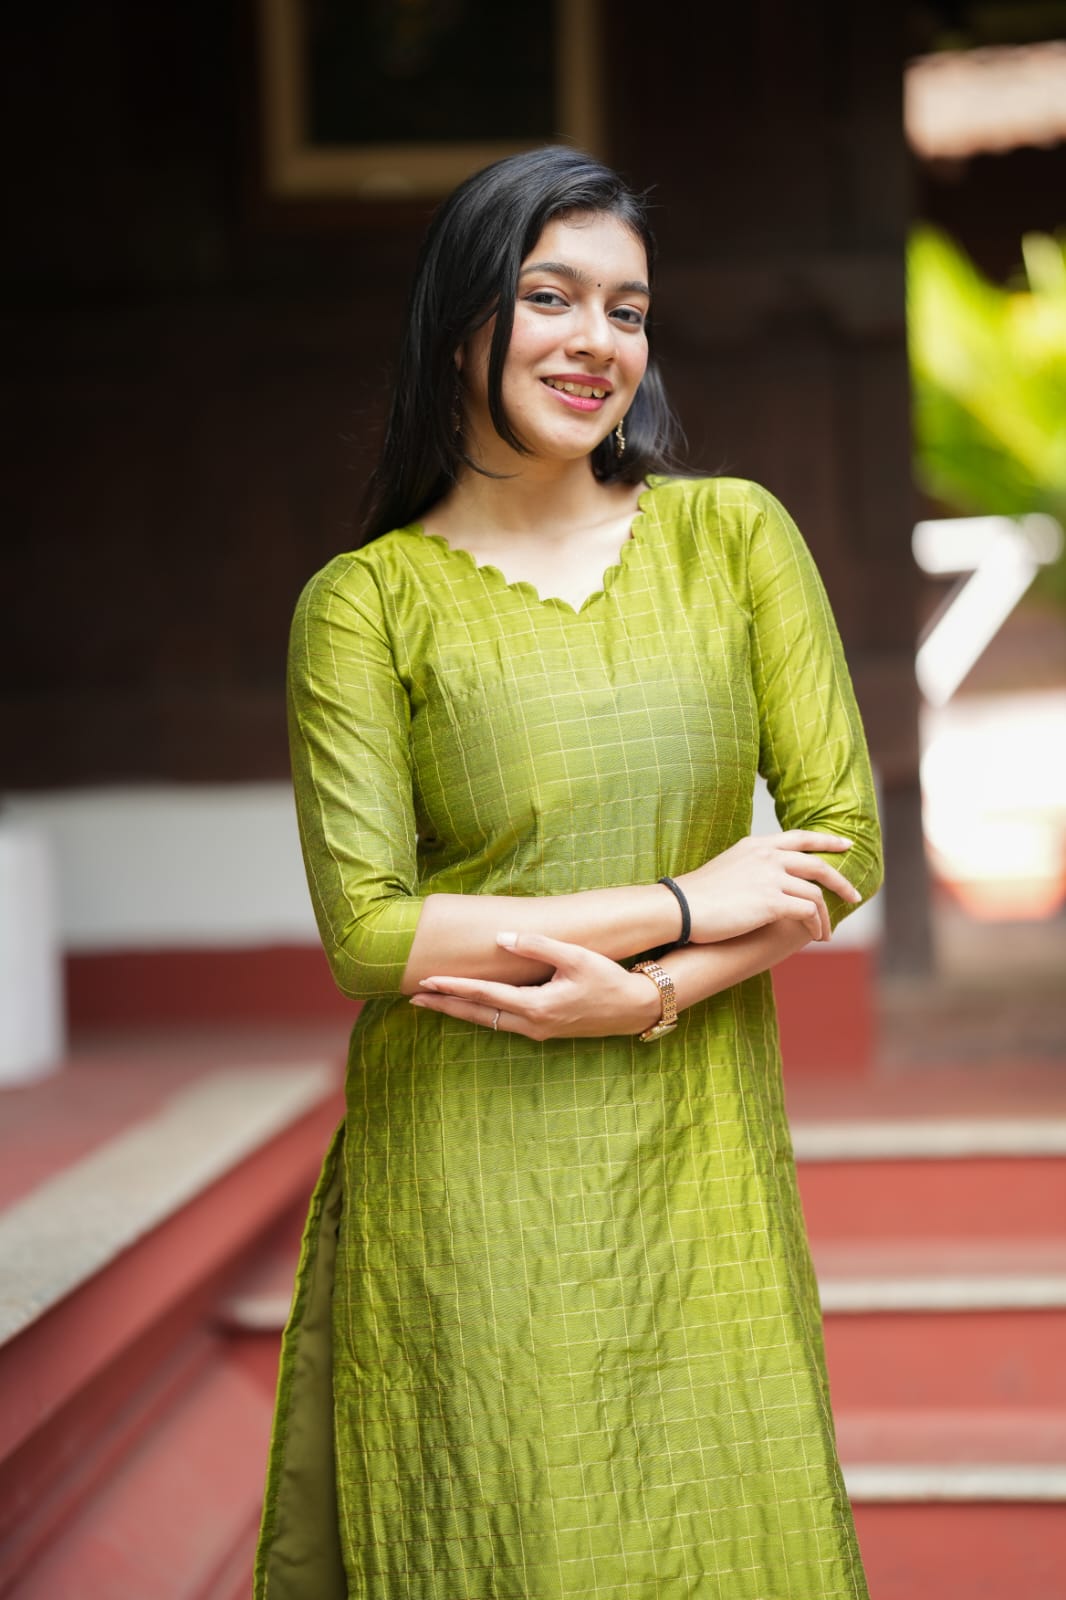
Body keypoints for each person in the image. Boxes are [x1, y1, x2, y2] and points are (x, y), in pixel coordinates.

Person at [254, 146, 882, 1600]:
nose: (596, 340)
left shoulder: (733, 537)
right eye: (549, 297)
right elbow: (369, 933)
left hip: (695, 1146)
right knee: (503, 1543)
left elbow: (838, 838)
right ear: (459, 322)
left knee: (735, 1533)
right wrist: (681, 907)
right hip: (469, 1170)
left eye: (628, 310)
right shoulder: (364, 604)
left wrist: (652, 996)